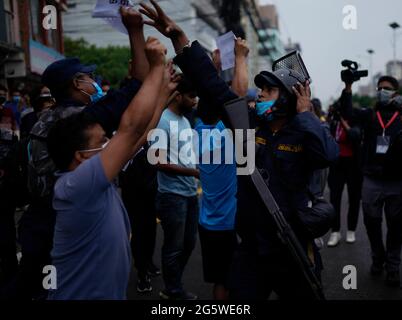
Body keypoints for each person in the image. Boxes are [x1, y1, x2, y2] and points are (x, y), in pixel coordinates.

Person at [139, 0, 338, 299]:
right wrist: (178, 38)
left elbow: (327, 155)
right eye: (260, 89)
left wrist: (307, 112)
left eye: (268, 91)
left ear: (287, 98)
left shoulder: (305, 129)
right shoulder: (247, 123)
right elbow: (212, 85)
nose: (259, 94)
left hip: (291, 245)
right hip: (252, 249)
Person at [7, 7, 149, 300]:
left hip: (38, 221)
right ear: (77, 84)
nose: (93, 82)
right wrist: (135, 31)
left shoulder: (40, 119)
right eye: (89, 77)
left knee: (33, 286)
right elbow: (138, 87)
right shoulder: (83, 122)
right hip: (70, 221)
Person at [46, 37, 172, 300]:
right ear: (80, 156)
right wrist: (157, 67)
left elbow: (138, 138)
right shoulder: (78, 184)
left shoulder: (93, 178)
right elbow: (130, 129)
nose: (109, 145)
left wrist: (160, 99)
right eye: (102, 141)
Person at [340, 75, 402, 287]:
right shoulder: (369, 114)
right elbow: (347, 113)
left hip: (397, 181)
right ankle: (378, 257)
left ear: (395, 93)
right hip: (372, 179)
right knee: (371, 222)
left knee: (396, 226)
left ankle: (393, 266)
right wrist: (348, 87)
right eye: (379, 88)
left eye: (386, 88)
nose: (381, 91)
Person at [149, 76, 200, 300]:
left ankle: (173, 285)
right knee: (174, 246)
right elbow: (158, 161)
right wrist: (194, 173)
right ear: (178, 95)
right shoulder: (162, 121)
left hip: (190, 193)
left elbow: (187, 155)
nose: (195, 100)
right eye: (191, 96)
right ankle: (173, 290)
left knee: (189, 243)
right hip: (172, 196)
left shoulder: (185, 120)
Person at [326, 89, 363, 247]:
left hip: (354, 165)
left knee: (354, 199)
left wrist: (343, 120)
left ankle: (351, 230)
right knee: (334, 198)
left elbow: (355, 136)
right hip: (337, 164)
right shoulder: (333, 122)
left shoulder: (356, 120)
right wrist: (332, 117)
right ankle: (335, 232)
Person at [0, 84, 19, 289]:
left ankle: (10, 276)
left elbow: (8, 147)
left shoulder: (5, 114)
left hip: (3, 186)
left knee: (5, 235)